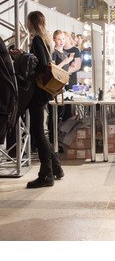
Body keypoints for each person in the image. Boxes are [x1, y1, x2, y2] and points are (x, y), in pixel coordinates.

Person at [10, 11, 63, 188]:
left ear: (31, 22)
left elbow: (40, 64)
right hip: (43, 91)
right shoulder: (46, 39)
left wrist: (21, 57)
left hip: (38, 92)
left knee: (38, 131)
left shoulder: (38, 40)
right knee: (39, 131)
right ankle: (55, 166)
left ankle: (46, 174)